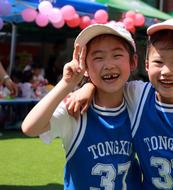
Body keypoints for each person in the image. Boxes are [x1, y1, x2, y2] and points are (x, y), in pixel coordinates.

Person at [66, 18, 173, 189]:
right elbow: (110, 84)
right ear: (147, 65)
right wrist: (88, 87)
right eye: (159, 62)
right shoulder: (138, 94)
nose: (167, 71)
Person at [21, 23, 142, 189]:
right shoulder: (75, 107)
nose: (108, 65)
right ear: (84, 66)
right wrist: (66, 84)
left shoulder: (139, 100)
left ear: (133, 62)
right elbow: (30, 128)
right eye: (98, 57)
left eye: (117, 55)